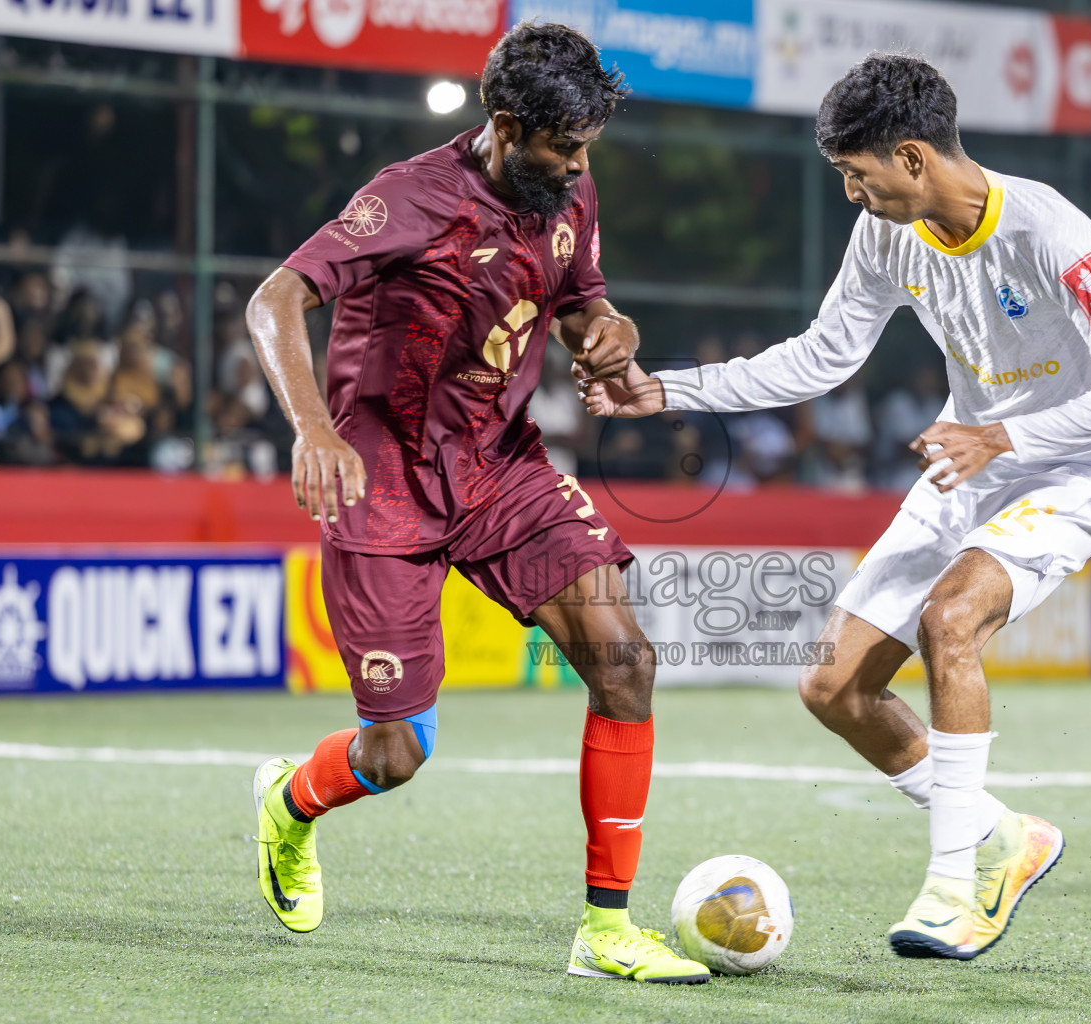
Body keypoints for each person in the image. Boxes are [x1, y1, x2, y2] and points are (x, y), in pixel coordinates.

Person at [583, 53, 1091, 961]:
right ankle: (1005, 837)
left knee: (951, 620)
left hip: (1077, 465)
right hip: (968, 458)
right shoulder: (890, 237)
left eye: (858, 176)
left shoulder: (1052, 231)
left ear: (913, 157)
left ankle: (953, 887)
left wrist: (1005, 440)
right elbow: (822, 357)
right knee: (834, 687)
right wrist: (668, 392)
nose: (854, 195)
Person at [242, 22, 709, 985]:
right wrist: (313, 428)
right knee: (397, 753)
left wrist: (610, 332)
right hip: (383, 487)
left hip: (501, 469)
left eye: (588, 145)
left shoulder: (568, 184)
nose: (582, 163)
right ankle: (292, 803)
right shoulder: (407, 199)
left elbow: (584, 299)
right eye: (566, 146)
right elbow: (274, 301)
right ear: (506, 124)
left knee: (625, 663)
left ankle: (606, 929)